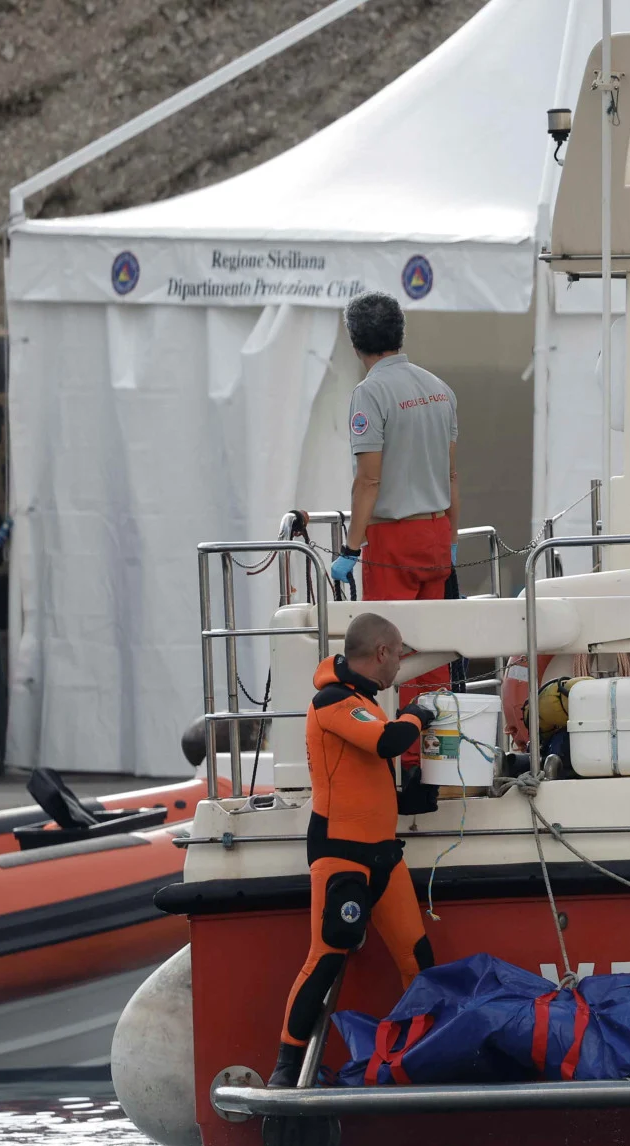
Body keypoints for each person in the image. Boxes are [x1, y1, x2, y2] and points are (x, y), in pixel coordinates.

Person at [270, 612, 437, 1088]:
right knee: (325, 957)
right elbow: (387, 742)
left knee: (418, 958)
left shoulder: (365, 701)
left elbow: (367, 776)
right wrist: (418, 715)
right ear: (381, 652)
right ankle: (286, 1065)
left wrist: (412, 798)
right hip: (342, 855)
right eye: (399, 653)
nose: (400, 664)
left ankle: (425, 1053)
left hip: (384, 856)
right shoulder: (334, 702)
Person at [331, 292, 459, 711]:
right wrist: (452, 537)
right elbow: (452, 474)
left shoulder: (370, 394)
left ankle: (403, 764)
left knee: (386, 655)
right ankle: (439, 752)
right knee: (433, 652)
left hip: (392, 541)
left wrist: (351, 548)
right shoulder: (439, 389)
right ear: (400, 334)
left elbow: (368, 480)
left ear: (355, 344)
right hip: (437, 532)